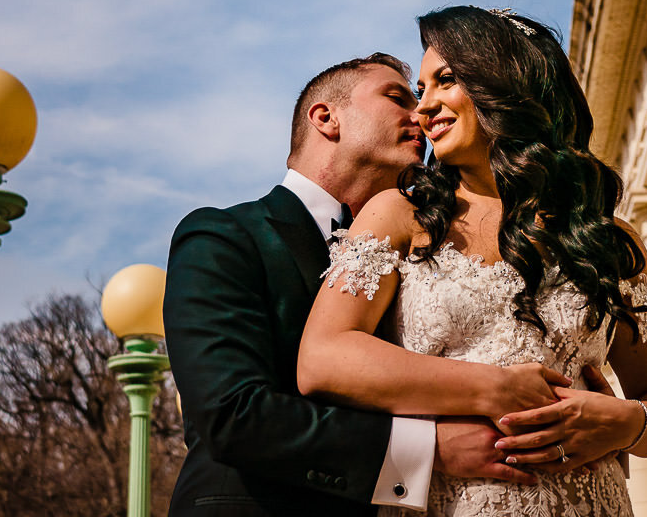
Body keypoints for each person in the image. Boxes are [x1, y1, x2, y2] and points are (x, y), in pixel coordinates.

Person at [298, 7, 647, 516]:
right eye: (421, 90)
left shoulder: (608, 240)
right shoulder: (399, 216)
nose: (424, 108)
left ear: (507, 84)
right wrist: (496, 389)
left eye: (446, 80)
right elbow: (324, 359)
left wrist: (624, 422)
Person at [164, 52, 563, 517]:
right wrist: (425, 450)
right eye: (397, 97)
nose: (420, 112)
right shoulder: (224, 236)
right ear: (326, 118)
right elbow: (233, 413)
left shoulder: (420, 248)